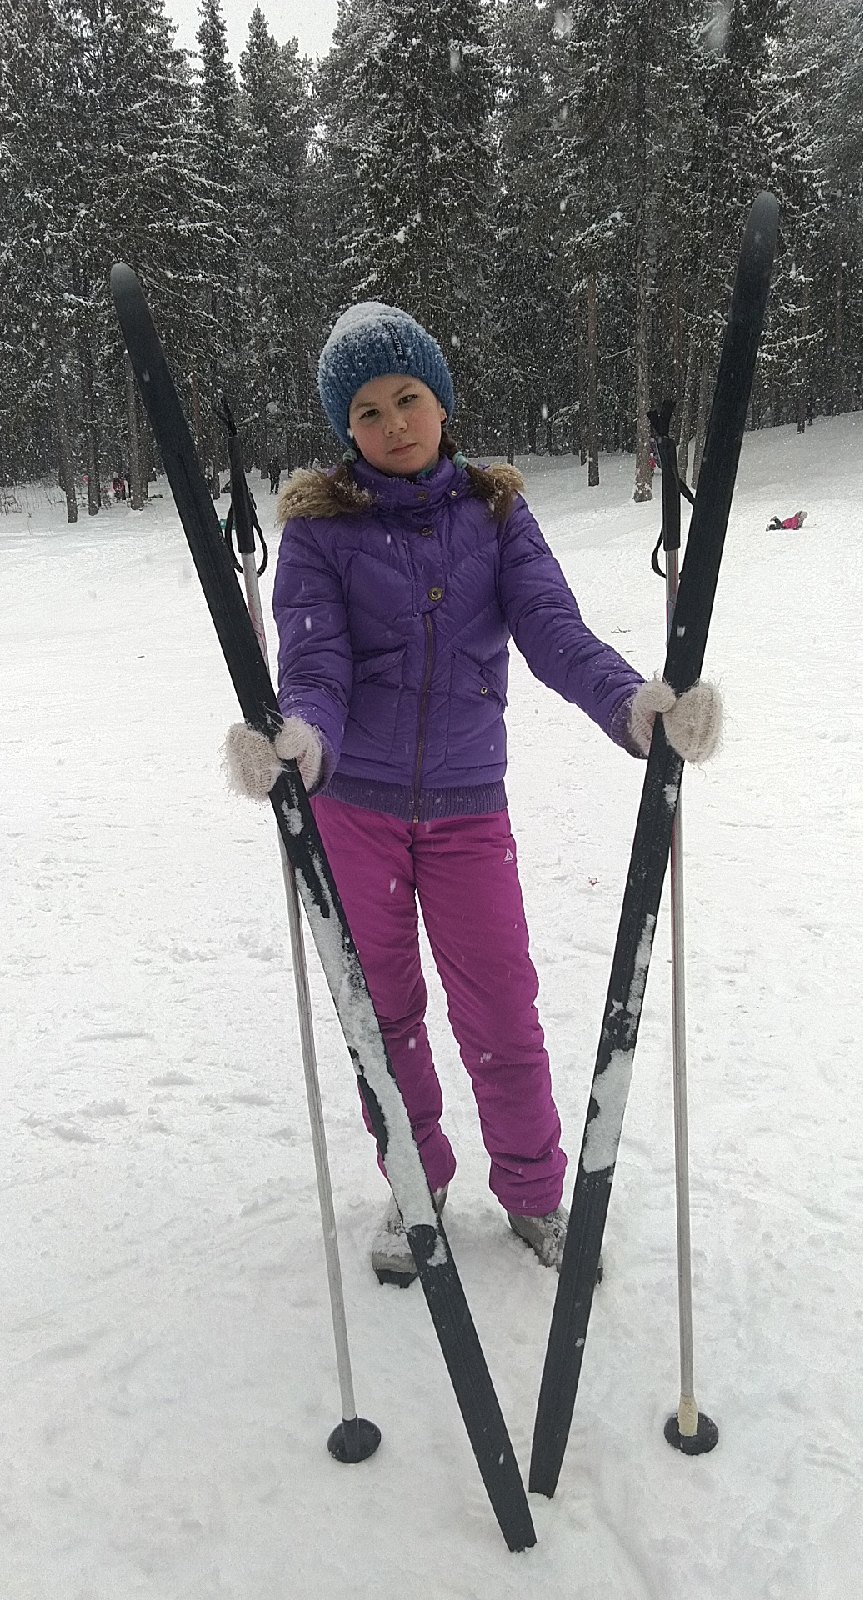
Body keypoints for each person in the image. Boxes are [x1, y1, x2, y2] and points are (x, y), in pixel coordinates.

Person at [225, 303, 722, 1287]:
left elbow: (552, 628)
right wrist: (300, 742)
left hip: (466, 809)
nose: (393, 423)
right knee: (381, 1015)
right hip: (353, 812)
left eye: (407, 398)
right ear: (346, 429)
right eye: (367, 412)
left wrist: (635, 707)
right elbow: (316, 663)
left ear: (442, 403)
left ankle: (533, 1191)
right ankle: (415, 1185)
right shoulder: (320, 530)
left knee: (500, 1006)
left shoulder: (495, 514)